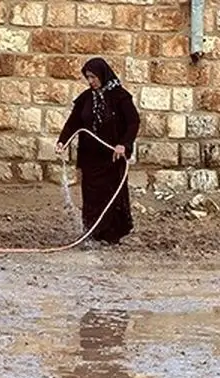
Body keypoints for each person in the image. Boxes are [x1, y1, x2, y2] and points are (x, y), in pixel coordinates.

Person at [56, 58, 140, 246]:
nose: (91, 81)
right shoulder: (86, 98)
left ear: (102, 75)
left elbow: (133, 122)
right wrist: (63, 141)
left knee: (112, 195)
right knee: (92, 195)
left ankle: (111, 235)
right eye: (88, 77)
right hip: (91, 157)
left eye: (93, 77)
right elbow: (74, 122)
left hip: (112, 157)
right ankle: (92, 232)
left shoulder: (120, 97)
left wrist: (124, 145)